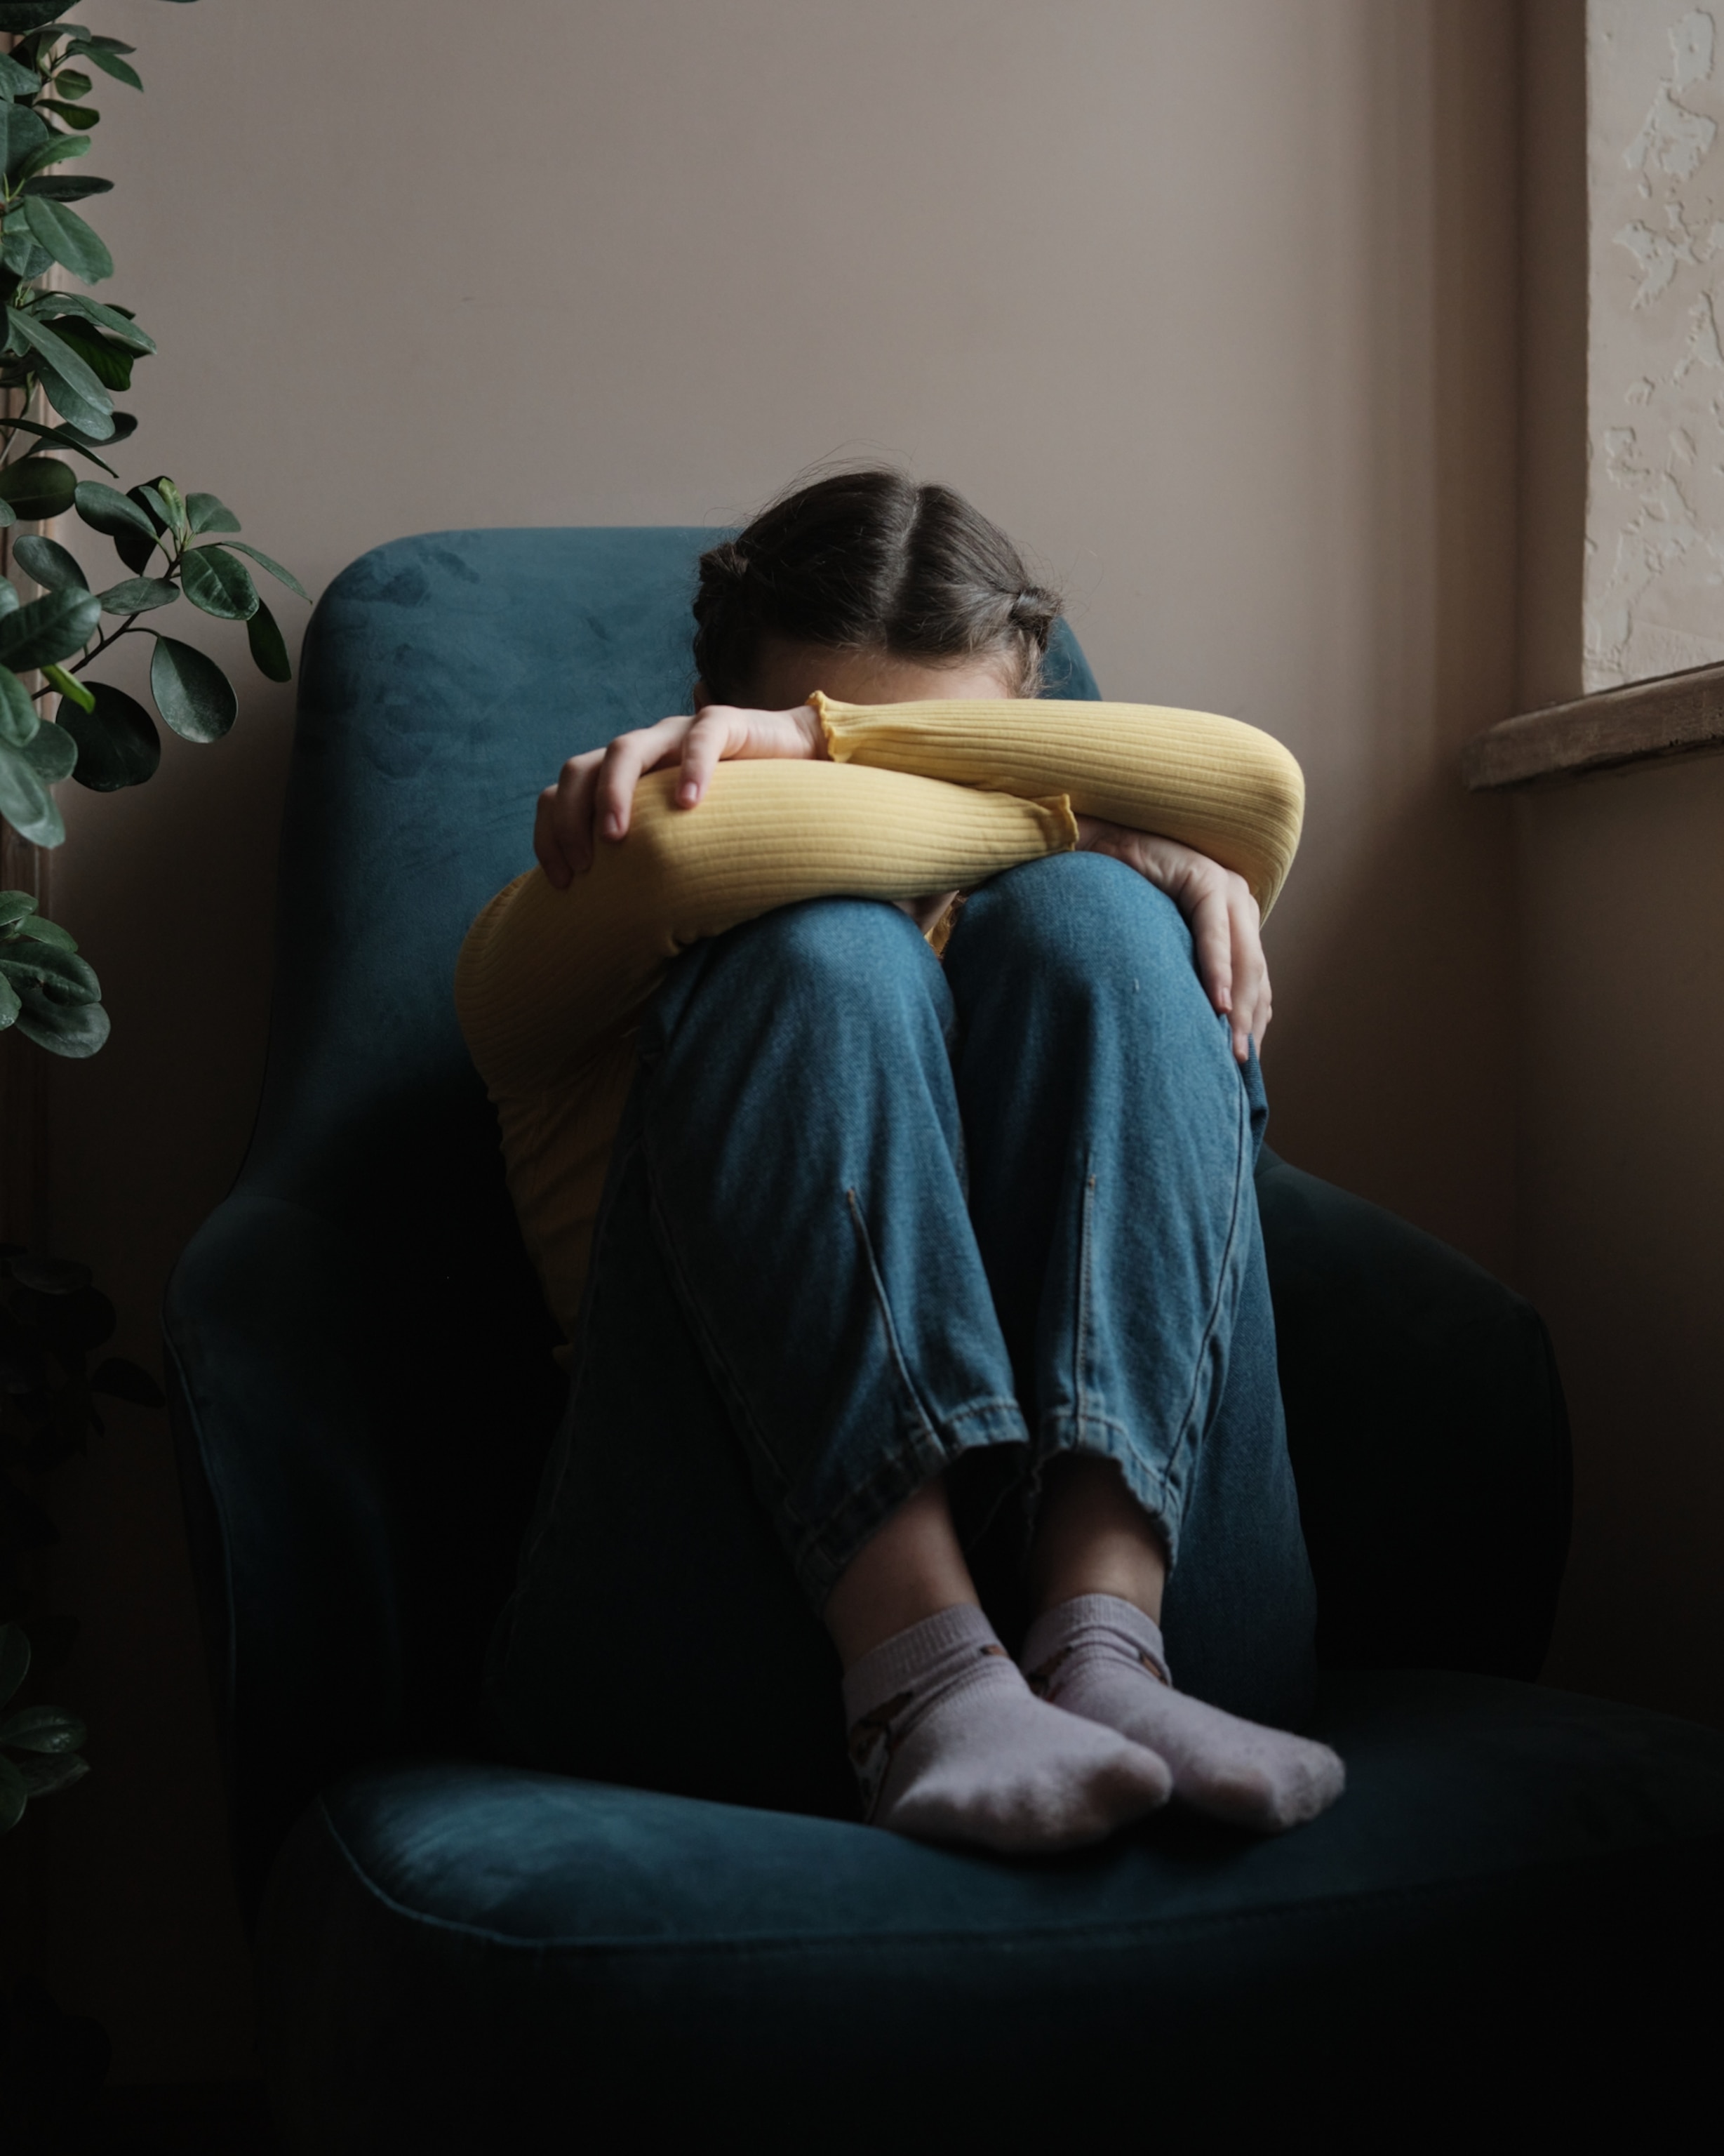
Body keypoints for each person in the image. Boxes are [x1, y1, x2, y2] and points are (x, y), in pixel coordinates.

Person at [455, 469, 1344, 1857]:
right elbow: (691, 861)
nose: (871, 792)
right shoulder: (598, 898)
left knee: (1099, 927)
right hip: (723, 1643)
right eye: (828, 754)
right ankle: (923, 1671)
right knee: (826, 949)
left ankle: (1099, 1644)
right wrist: (1072, 813)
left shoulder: (1067, 923)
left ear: (1033, 724)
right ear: (712, 721)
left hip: (1176, 1639)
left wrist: (840, 749)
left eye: (949, 752)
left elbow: (1257, 783)